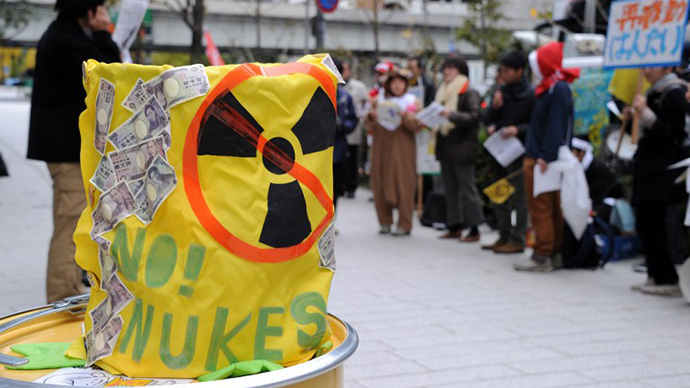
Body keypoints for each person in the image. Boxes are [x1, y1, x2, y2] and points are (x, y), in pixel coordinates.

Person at [27, 0, 120, 302]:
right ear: (89, 10)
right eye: (101, 8)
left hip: (65, 148)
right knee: (68, 224)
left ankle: (67, 290)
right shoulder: (68, 41)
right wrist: (104, 34)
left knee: (72, 220)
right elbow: (110, 76)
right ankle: (60, 296)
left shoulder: (64, 35)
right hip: (66, 151)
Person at [515, 42, 579, 272]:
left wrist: (545, 156)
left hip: (543, 160)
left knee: (541, 208)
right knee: (551, 207)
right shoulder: (555, 86)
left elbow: (555, 126)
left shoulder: (556, 88)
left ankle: (543, 255)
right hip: (548, 158)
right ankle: (554, 253)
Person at [625, 66, 689, 296]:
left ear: (668, 66)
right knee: (645, 221)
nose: (646, 69)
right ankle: (655, 273)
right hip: (649, 167)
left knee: (656, 222)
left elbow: (671, 134)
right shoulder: (654, 91)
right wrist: (634, 117)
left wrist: (645, 113)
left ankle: (667, 277)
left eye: (652, 64)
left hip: (664, 170)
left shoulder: (674, 92)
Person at [482, 50, 534, 253]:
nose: (503, 74)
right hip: (499, 151)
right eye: (501, 70)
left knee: (519, 197)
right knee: (498, 193)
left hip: (519, 152)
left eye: (507, 70)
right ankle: (503, 234)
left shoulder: (530, 94)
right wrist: (494, 111)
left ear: (520, 71)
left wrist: (517, 130)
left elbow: (534, 125)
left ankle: (517, 238)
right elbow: (486, 118)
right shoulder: (500, 91)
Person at [365, 69, 421, 236]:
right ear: (388, 84)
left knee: (404, 182)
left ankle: (404, 223)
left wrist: (406, 116)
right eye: (394, 82)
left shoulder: (412, 102)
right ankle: (384, 221)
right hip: (381, 146)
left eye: (401, 82)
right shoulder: (377, 101)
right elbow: (368, 126)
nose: (398, 86)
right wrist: (371, 117)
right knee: (380, 180)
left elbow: (418, 126)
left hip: (403, 148)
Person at [435, 56, 483, 242]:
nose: (446, 72)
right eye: (445, 68)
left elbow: (474, 117)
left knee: (467, 189)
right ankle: (454, 225)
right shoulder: (443, 91)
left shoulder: (468, 91)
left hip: (463, 149)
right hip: (446, 147)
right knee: (450, 189)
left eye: (451, 68)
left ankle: (474, 228)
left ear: (461, 71)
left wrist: (451, 115)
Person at [332, 59, 359, 210]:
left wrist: (343, 126)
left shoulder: (344, 97)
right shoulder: (312, 95)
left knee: (335, 188)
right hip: (314, 150)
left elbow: (353, 120)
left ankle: (331, 223)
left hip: (338, 148)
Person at [341, 59, 369, 198]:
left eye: (345, 69)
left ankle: (352, 186)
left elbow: (366, 104)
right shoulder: (334, 86)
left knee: (353, 158)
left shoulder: (359, 87)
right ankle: (341, 185)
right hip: (338, 131)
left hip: (354, 128)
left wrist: (362, 117)